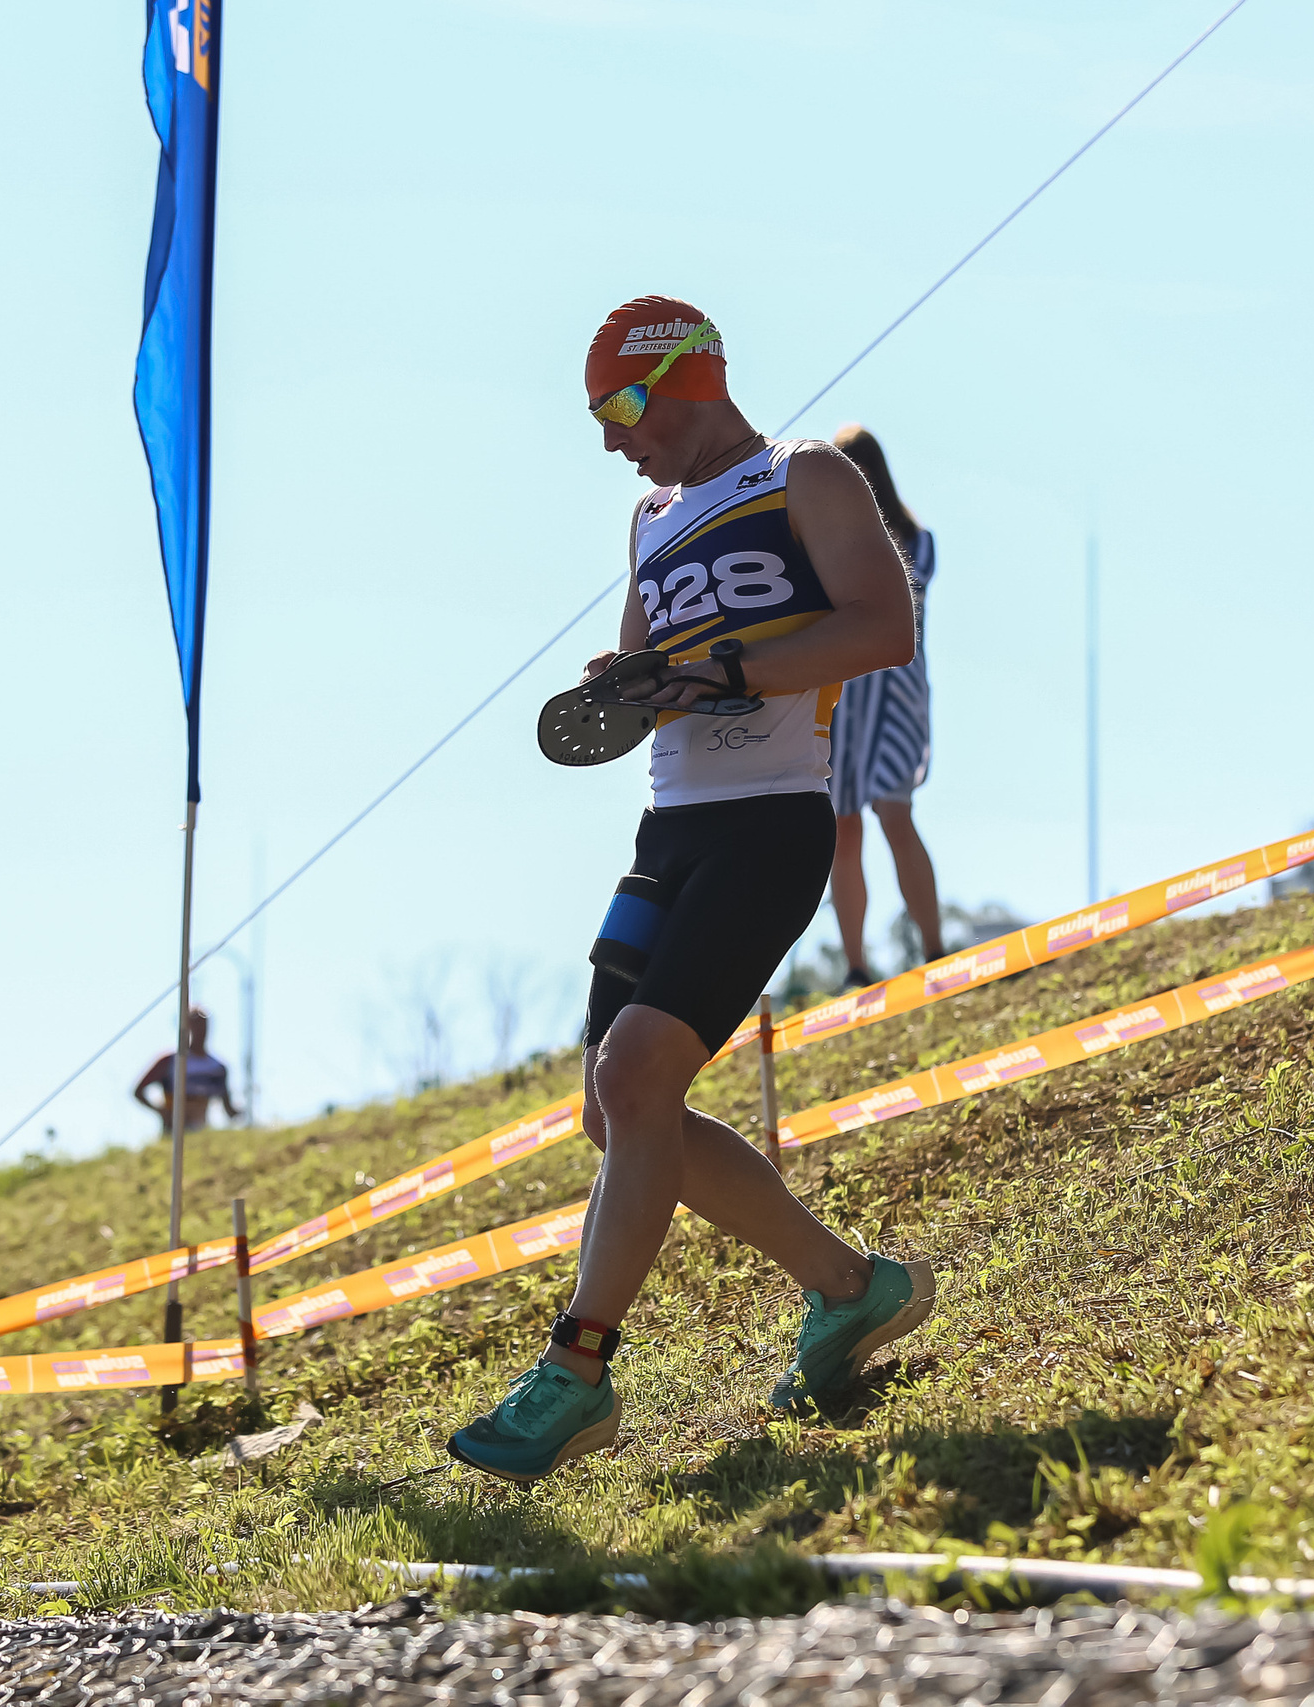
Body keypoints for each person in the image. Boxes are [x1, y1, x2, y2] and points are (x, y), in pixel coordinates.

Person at [447, 296, 934, 1483]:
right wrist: (629, 681)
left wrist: (723, 666)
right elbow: (649, 682)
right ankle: (851, 1288)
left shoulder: (803, 474)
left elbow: (885, 628)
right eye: (599, 417)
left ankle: (577, 1370)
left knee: (634, 1073)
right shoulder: (647, 520)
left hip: (770, 827)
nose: (615, 438)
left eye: (622, 406)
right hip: (667, 832)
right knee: (615, 1114)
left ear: (691, 378)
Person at [825, 424, 944, 984]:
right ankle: (855, 964)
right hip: (844, 690)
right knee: (843, 826)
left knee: (894, 813)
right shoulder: (822, 540)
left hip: (892, 688)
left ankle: (936, 948)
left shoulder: (914, 540)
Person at [133, 1007, 243, 1134]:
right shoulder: (171, 1061)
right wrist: (161, 1111)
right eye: (195, 1023)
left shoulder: (217, 1068)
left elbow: (228, 1108)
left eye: (203, 1024)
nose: (200, 1029)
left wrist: (243, 1114)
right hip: (172, 1132)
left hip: (201, 1132)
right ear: (186, 1026)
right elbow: (138, 1091)